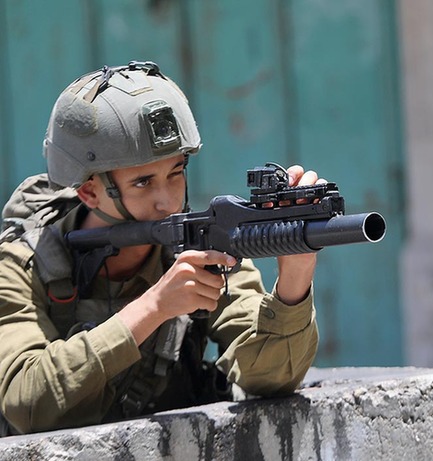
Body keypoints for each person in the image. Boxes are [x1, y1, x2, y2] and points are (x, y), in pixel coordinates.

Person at [0, 61, 320, 435]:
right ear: (89, 192)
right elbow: (27, 403)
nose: (168, 201)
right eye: (143, 183)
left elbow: (269, 378)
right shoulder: (23, 265)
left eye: (176, 172)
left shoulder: (201, 247)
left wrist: (295, 276)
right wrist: (153, 308)